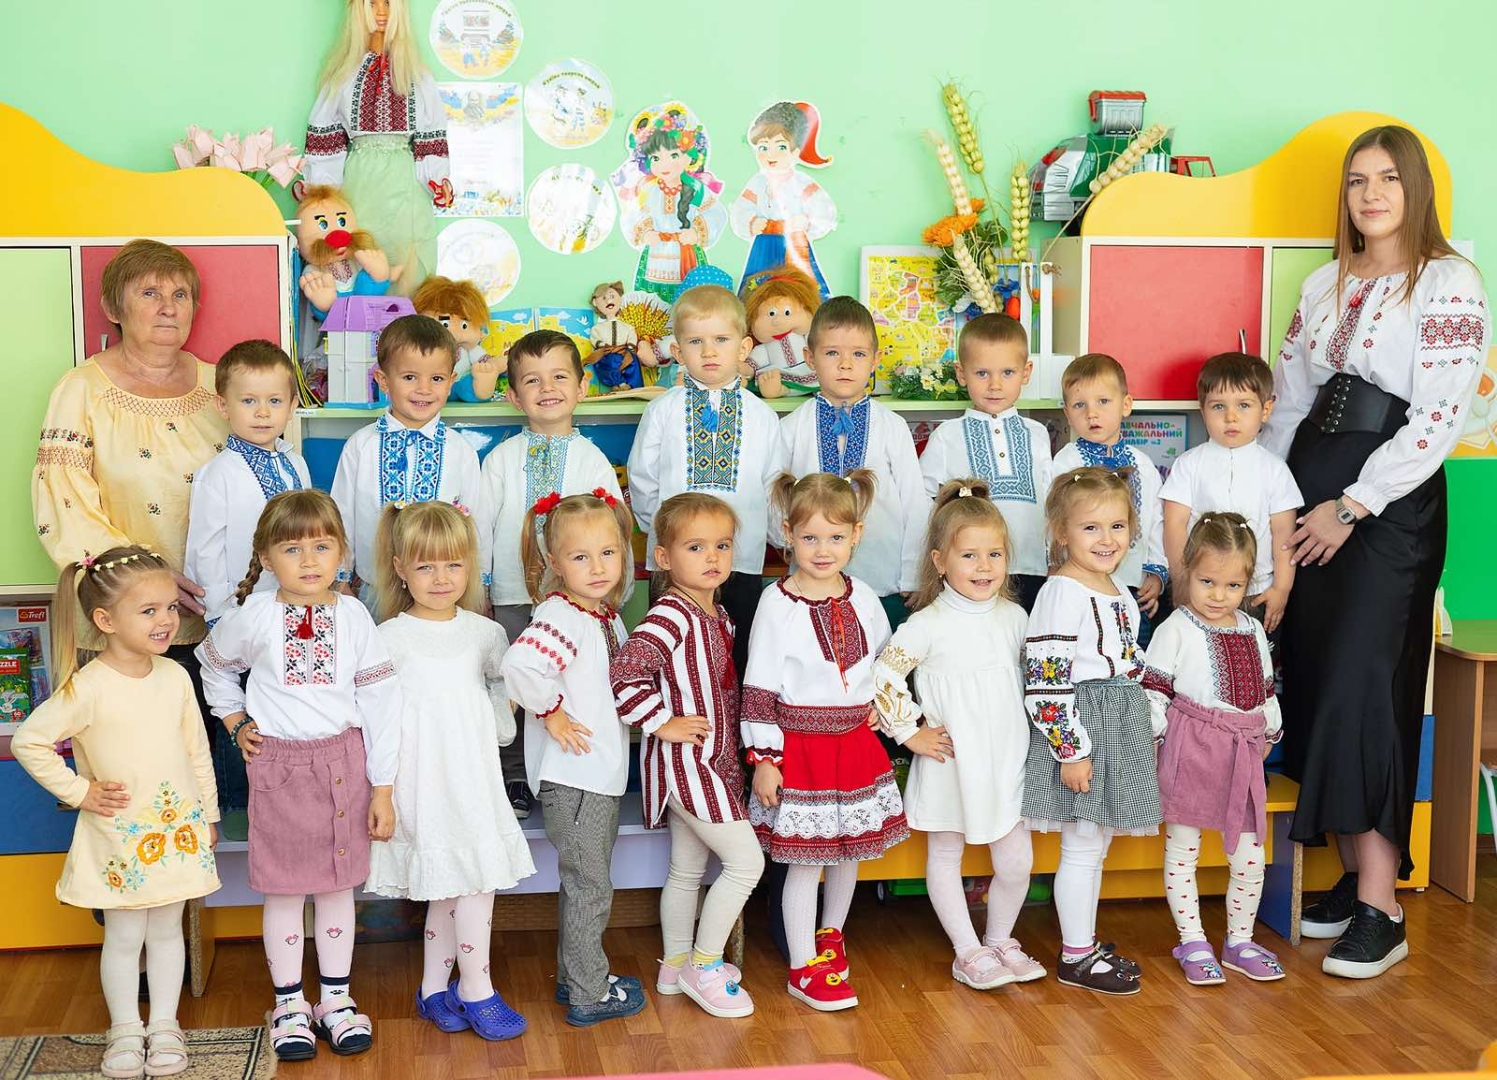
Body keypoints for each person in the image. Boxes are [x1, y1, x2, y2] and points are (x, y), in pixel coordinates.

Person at [1262, 125, 1491, 978]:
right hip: (1310, 492)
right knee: (1316, 675)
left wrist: (1350, 505)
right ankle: (1355, 872)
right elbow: (1290, 399)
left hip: (1385, 507)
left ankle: (1380, 906)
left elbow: (1437, 417)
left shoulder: (1448, 282)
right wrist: (1273, 503)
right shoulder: (1322, 282)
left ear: (1414, 187)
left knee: (1367, 682)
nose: (1370, 194)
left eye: (1387, 178)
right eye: (1357, 180)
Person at [195, 490, 402, 1060]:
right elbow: (212, 666)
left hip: (344, 767)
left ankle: (336, 1000)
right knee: (285, 892)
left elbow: (382, 704)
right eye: (292, 549)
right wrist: (235, 720)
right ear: (266, 557)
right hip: (278, 769)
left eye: (322, 546)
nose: (309, 561)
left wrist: (383, 787)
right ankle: (289, 1004)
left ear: (342, 553)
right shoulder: (254, 616)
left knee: (337, 888)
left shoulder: (355, 616)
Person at [12, 547, 220, 1079]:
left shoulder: (174, 677)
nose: (166, 619)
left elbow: (197, 750)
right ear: (106, 620)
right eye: (148, 610)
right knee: (125, 937)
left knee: (169, 931)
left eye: (170, 607)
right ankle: (126, 1029)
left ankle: (166, 1025)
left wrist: (209, 814)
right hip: (120, 836)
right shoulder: (88, 687)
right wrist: (81, 791)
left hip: (176, 830)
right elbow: (30, 741)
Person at [31, 240, 229, 766]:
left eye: (180, 294)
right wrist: (150, 578)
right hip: (120, 624)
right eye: (149, 293)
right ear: (113, 308)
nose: (168, 307)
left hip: (218, 621)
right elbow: (64, 501)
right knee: (127, 771)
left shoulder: (222, 385)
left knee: (208, 772)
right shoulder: (82, 389)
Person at [364, 501, 535, 1040]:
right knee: (463, 883)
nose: (441, 578)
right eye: (425, 566)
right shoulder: (388, 638)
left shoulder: (485, 633)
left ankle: (435, 988)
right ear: (400, 568)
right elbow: (377, 721)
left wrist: (501, 711)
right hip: (423, 781)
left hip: (473, 778)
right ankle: (476, 989)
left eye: (453, 565)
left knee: (461, 884)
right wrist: (382, 791)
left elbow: (502, 692)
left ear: (470, 566)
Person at [743, 471, 909, 1012]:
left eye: (836, 537)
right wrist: (765, 759)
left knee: (847, 852)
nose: (822, 550)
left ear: (856, 535)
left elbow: (884, 664)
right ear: (788, 534)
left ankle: (830, 935)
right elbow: (759, 687)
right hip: (801, 749)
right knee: (806, 861)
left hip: (855, 745)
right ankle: (801, 966)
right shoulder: (777, 603)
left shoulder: (864, 597)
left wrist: (886, 711)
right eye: (810, 537)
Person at [871, 481, 1043, 991]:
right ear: (940, 561)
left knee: (1017, 862)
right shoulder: (927, 623)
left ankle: (999, 939)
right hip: (950, 760)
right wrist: (910, 733)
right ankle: (967, 951)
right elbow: (883, 676)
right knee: (945, 855)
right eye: (969, 555)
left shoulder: (1015, 617)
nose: (984, 566)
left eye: (995, 554)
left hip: (1006, 762)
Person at [610, 493, 764, 1018]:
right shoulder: (670, 616)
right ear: (664, 557)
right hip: (689, 766)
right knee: (746, 863)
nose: (712, 557)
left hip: (707, 762)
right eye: (696, 547)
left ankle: (674, 966)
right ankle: (705, 964)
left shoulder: (716, 613)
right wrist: (662, 722)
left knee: (686, 868)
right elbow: (624, 674)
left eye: (722, 545)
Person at [499, 491, 647, 1028]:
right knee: (590, 887)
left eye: (608, 553)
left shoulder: (599, 614)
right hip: (575, 778)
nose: (598, 567)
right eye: (581, 557)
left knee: (583, 883)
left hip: (594, 774)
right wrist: (552, 712)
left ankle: (574, 976)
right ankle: (589, 993)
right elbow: (519, 666)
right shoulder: (562, 615)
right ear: (555, 562)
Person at [1021, 467, 1159, 995]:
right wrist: (1070, 750)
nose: (1107, 539)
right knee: (1081, 846)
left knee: (1096, 846)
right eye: (1091, 528)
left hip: (1117, 721)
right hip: (1083, 726)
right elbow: (1045, 679)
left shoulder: (1118, 588)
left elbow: (1128, 659)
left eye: (1117, 526)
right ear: (1062, 532)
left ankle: (1085, 941)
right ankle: (1075, 956)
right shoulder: (1062, 591)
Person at [482, 329, 623, 820]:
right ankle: (514, 776)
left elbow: (613, 530)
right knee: (511, 684)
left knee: (575, 685)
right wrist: (482, 589)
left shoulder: (592, 460)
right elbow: (480, 528)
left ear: (582, 387)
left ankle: (571, 775)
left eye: (560, 377)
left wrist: (605, 594)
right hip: (513, 595)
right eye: (532, 380)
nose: (547, 388)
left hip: (577, 604)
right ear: (514, 396)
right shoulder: (502, 460)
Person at [1141, 512, 1285, 986]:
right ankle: (1192, 940)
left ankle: (1239, 941)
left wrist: (1268, 733)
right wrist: (1157, 742)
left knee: (1249, 856)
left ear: (1248, 582)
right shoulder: (1175, 628)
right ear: (1187, 570)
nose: (1219, 596)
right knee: (1184, 849)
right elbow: (1154, 692)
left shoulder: (1252, 630)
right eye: (1207, 582)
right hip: (1191, 747)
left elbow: (1265, 690)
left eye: (1232, 586)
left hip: (1243, 753)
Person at [628, 284, 788, 676]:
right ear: (678, 351)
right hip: (674, 561)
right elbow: (642, 476)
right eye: (696, 342)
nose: (709, 352)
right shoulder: (662, 410)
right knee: (672, 654)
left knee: (738, 655)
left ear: (744, 347)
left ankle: (733, 719)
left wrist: (777, 538)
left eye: (721, 339)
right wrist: (662, 532)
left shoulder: (762, 416)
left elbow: (775, 485)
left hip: (741, 559)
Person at [781, 296, 929, 623]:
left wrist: (913, 575)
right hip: (809, 580)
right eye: (832, 353)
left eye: (858, 354)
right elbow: (776, 497)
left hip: (884, 581)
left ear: (875, 360)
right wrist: (790, 544)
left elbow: (915, 504)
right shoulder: (792, 427)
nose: (845, 364)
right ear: (810, 358)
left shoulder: (892, 426)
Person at [330, 314, 492, 605]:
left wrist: (480, 588)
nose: (424, 389)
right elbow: (341, 517)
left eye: (436, 379)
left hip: (443, 593)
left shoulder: (460, 450)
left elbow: (477, 522)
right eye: (409, 377)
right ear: (383, 380)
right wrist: (340, 580)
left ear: (451, 382)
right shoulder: (361, 446)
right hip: (373, 592)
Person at [304, 0, 451, 290]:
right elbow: (326, 138)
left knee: (406, 254)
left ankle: (406, 316)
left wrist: (437, 179)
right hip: (360, 180)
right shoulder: (343, 74)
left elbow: (430, 135)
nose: (381, 12)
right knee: (360, 247)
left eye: (388, 4)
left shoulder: (416, 75)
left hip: (405, 181)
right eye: (371, 4)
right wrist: (321, 190)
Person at [920, 313, 1053, 612]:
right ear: (961, 373)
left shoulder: (1037, 434)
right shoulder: (947, 436)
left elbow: (1051, 503)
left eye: (1007, 372)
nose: (995, 385)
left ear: (1026, 372)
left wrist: (1056, 558)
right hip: (969, 573)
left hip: (1032, 568)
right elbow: (924, 506)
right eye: (982, 373)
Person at [1160, 353, 1301, 632]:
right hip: (1199, 592)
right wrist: (1183, 582)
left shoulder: (1275, 469)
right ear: (1203, 410)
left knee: (1252, 657)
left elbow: (1284, 534)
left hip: (1255, 593)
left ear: (1266, 410)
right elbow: (1174, 526)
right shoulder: (1189, 464)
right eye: (1218, 406)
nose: (1231, 417)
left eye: (1244, 405)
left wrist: (1281, 589)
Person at [185, 341, 310, 628]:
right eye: (249, 401)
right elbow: (204, 554)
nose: (262, 412)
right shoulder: (217, 474)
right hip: (240, 614)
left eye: (274, 401)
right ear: (223, 406)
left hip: (297, 605)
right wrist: (220, 615)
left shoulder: (297, 464)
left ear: (292, 406)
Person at [1052, 354, 1167, 641]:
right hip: (1080, 585)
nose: (1092, 413)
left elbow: (1156, 522)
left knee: (1133, 654)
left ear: (1125, 405)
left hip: (1133, 587)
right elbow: (1053, 519)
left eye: (1103, 401)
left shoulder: (1143, 465)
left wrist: (1155, 573)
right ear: (1067, 413)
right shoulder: (1065, 463)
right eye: (1080, 405)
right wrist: (1054, 564)